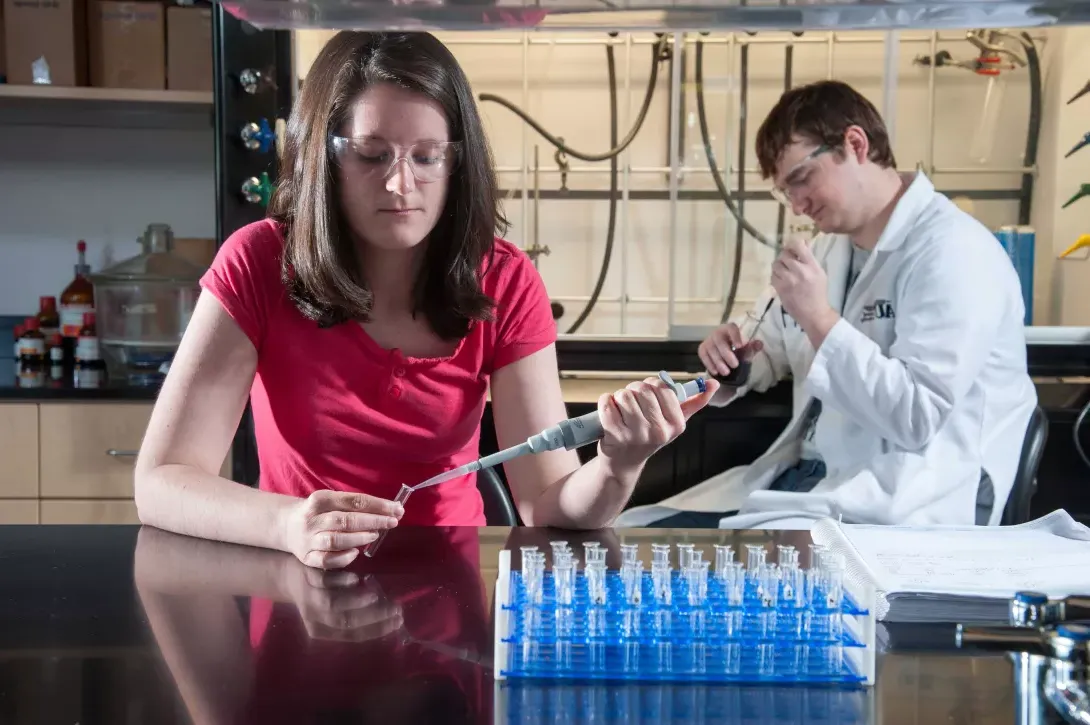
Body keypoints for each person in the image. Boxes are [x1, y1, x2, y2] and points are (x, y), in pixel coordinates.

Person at [133, 30, 719, 570]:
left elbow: (546, 504)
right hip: (300, 587)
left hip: (450, 603)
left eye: (426, 157)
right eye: (370, 154)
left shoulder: (505, 281)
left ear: (457, 162)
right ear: (323, 157)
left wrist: (619, 464)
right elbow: (161, 481)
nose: (399, 184)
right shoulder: (260, 263)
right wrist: (289, 522)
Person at [615, 80, 1037, 530]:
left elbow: (917, 415)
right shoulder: (831, 250)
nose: (797, 206)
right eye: (785, 191)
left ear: (855, 144)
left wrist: (819, 318)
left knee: (669, 564)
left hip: (905, 499)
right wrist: (734, 361)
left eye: (801, 179)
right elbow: (770, 345)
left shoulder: (954, 252)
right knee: (623, 536)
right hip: (810, 482)